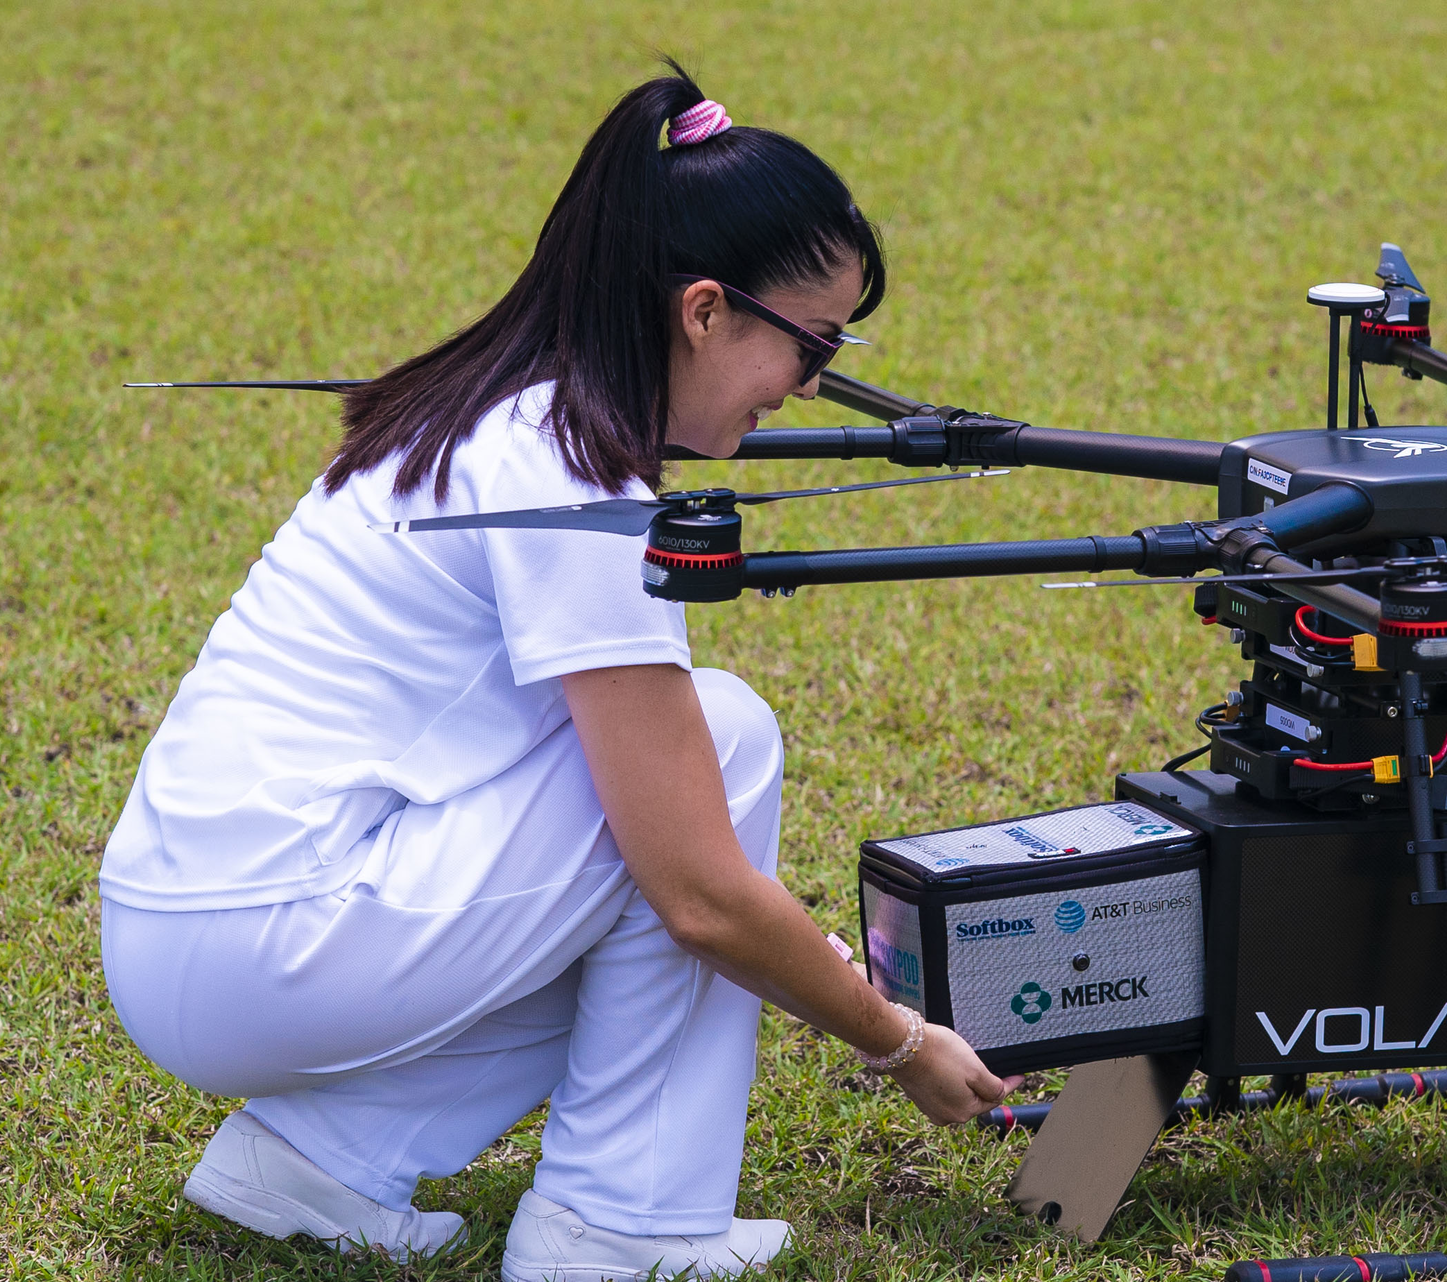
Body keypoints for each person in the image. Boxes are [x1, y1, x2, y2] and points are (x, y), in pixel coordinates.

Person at [98, 66, 1020, 1280]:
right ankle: (622, 1224)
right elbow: (696, 893)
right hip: (264, 944)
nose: (810, 386)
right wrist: (897, 1038)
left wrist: (773, 938)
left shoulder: (498, 409)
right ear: (703, 311)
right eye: (815, 346)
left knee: (673, 807)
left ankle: (324, 1156)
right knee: (724, 746)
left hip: (200, 927)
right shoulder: (569, 471)